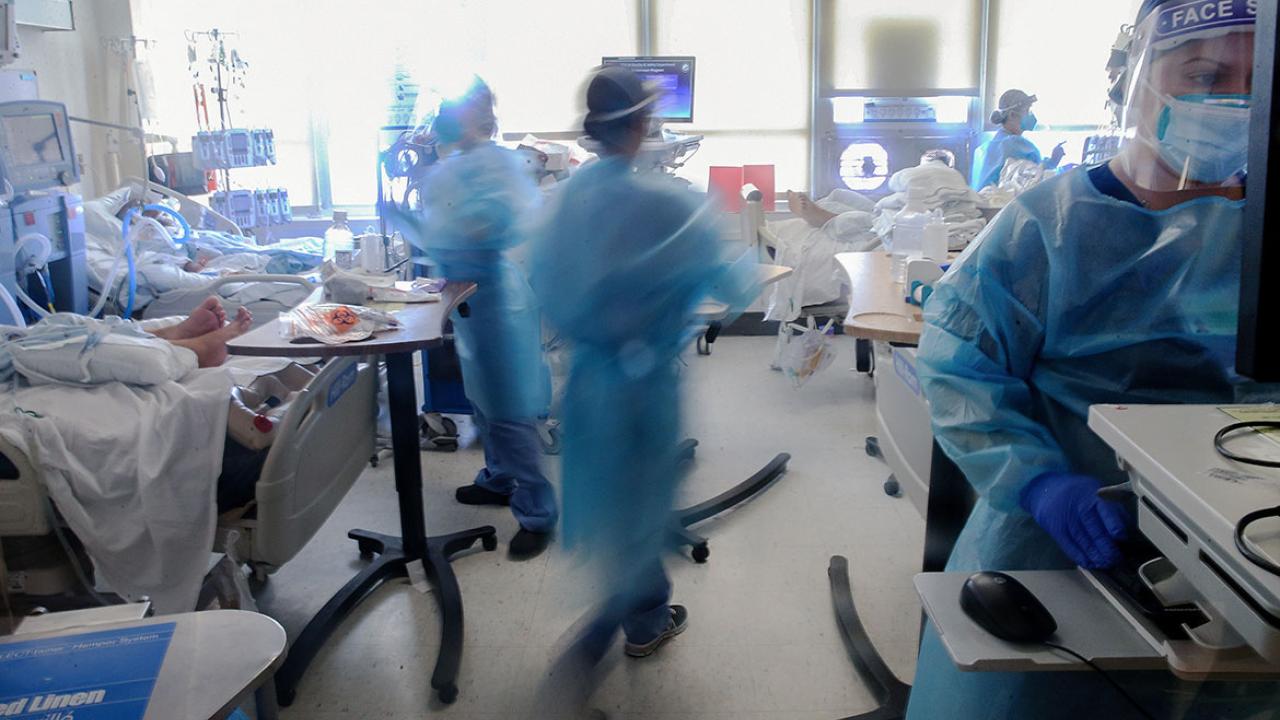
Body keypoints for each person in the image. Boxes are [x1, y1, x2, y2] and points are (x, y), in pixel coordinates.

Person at [908, 2, 1280, 717]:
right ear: (1134, 83)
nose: (1235, 101)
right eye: (1205, 77)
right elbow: (960, 363)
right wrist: (1039, 483)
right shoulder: (1050, 225)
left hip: (1246, 554)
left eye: (1256, 80)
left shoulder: (1260, 230)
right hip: (1058, 543)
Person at [527, 65, 757, 708]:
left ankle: (647, 614)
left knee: (617, 509)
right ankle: (595, 644)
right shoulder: (668, 205)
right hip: (644, 389)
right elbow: (734, 285)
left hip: (588, 385)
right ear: (642, 126)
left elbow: (544, 282)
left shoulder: (564, 202)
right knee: (643, 512)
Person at [387, 78, 556, 559]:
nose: (444, 121)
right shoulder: (454, 165)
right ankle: (499, 479)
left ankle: (538, 513)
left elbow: (497, 223)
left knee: (507, 409)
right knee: (483, 400)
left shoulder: (498, 164)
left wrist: (448, 229)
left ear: (479, 117)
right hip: (467, 299)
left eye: (453, 112)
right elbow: (440, 226)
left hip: (496, 298)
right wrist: (408, 212)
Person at [970, 89, 1067, 190]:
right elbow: (1032, 182)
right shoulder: (1014, 145)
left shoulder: (990, 146)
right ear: (1012, 115)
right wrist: (1054, 165)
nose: (1031, 115)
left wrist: (1051, 163)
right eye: (1027, 111)